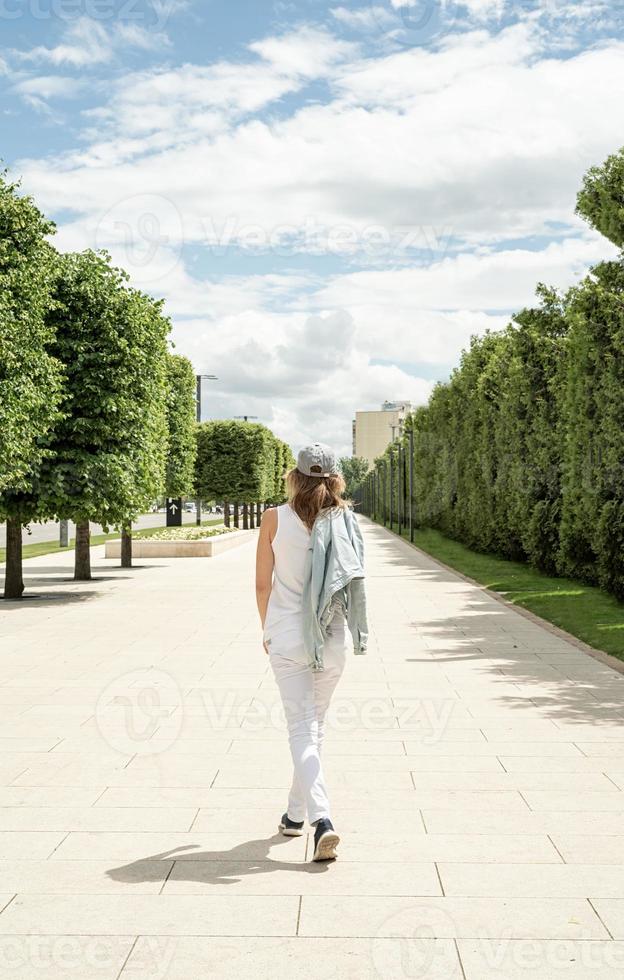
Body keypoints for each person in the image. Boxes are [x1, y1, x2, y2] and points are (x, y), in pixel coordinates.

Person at [255, 442, 368, 862]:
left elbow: (262, 585)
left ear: (294, 476)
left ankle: (322, 819)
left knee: (302, 729)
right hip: (331, 637)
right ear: (335, 478)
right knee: (313, 728)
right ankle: (294, 814)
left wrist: (267, 628)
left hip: (286, 636)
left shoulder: (273, 519)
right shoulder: (344, 520)